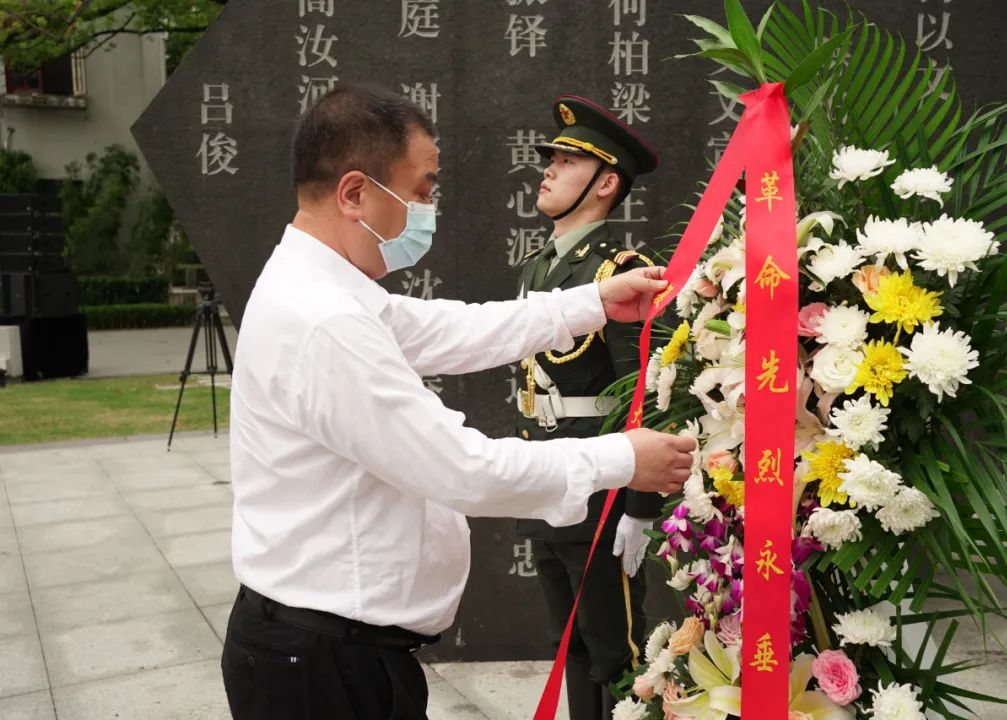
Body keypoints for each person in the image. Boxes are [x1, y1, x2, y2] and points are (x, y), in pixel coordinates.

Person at [219, 81, 696, 720]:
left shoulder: (326, 288)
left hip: (334, 648)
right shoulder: (324, 320)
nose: (427, 210)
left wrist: (590, 303)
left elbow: (451, 329)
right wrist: (621, 459)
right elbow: (462, 469)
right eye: (420, 192)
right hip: (326, 665)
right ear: (355, 194)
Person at [513, 95, 663, 719]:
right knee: (568, 644)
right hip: (543, 478)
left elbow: (644, 392)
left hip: (601, 493)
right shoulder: (537, 267)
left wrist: (640, 508)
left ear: (605, 183)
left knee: (616, 650)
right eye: (549, 158)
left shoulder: (623, 271)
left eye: (566, 161)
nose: (547, 169)